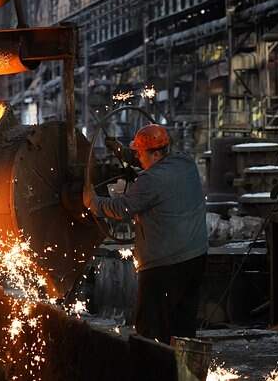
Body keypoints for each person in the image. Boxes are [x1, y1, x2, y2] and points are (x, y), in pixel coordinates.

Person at [83, 124, 207, 344]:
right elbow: (152, 162)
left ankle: (153, 364)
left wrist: (92, 202)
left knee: (151, 329)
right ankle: (183, 363)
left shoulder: (150, 181)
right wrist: (123, 152)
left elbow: (122, 208)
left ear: (156, 154)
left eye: (140, 154)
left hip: (164, 265)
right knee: (182, 327)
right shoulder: (185, 162)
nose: (138, 159)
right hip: (196, 257)